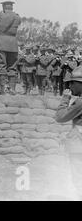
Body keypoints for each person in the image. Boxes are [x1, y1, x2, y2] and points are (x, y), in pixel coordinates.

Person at [55, 66, 82, 200]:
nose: (70, 85)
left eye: (73, 82)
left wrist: (65, 99)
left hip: (79, 145)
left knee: (78, 176)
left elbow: (60, 117)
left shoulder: (80, 103)